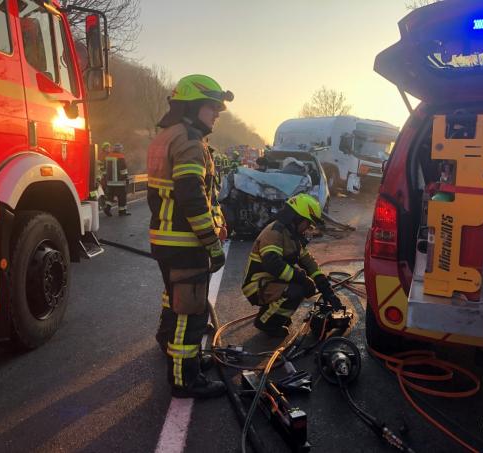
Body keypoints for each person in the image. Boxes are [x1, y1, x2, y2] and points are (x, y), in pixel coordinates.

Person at [147, 74, 233, 398]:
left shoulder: (168, 136)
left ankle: (169, 346)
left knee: (174, 299)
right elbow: (191, 196)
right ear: (194, 106)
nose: (217, 114)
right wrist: (212, 243)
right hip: (186, 243)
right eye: (212, 108)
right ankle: (185, 379)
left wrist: (219, 220)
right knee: (191, 312)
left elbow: (192, 194)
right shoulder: (190, 142)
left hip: (166, 239)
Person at [241, 193, 342, 338]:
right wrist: (301, 278)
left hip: (270, 281)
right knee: (296, 290)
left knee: (302, 286)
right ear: (297, 218)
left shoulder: (292, 236)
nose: (308, 228)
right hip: (256, 285)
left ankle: (275, 315)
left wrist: (327, 291)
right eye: (308, 223)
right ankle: (266, 323)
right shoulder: (274, 233)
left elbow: (310, 264)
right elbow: (273, 264)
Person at [103, 143, 131, 216]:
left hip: (110, 182)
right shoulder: (121, 157)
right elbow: (123, 170)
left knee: (110, 196)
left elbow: (105, 169)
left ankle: (107, 208)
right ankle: (122, 211)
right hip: (119, 182)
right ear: (120, 150)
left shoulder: (108, 156)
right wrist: (126, 178)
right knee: (122, 197)